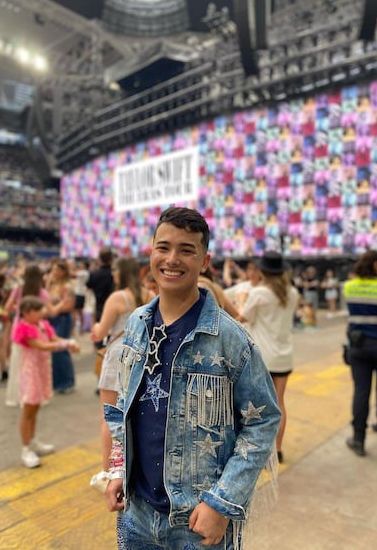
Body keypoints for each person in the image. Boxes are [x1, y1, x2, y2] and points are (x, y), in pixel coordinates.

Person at [103, 206, 281, 549]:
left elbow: (264, 421)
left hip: (198, 523)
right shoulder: (137, 324)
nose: (172, 259)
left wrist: (222, 502)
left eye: (187, 250)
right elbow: (123, 406)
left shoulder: (231, 339)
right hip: (136, 514)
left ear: (204, 261)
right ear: (151, 252)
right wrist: (117, 468)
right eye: (164, 247)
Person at [90, 257, 155, 488]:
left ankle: (109, 473)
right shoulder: (149, 296)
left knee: (110, 418)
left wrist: (95, 329)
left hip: (117, 356)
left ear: (120, 273)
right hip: (141, 355)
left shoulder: (118, 298)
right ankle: (133, 466)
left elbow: (101, 332)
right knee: (134, 415)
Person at [238, 251, 299, 464]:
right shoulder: (292, 293)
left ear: (262, 271)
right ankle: (278, 450)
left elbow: (242, 318)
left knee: (260, 409)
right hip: (284, 356)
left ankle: (261, 455)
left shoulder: (258, 294)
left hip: (263, 357)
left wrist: (241, 301)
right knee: (280, 403)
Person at [13, 296, 79, 468]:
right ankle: (25, 448)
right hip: (30, 372)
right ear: (27, 312)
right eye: (38, 310)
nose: (42, 313)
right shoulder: (24, 328)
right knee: (28, 410)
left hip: (41, 370)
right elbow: (40, 345)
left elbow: (53, 338)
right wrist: (65, 345)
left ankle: (33, 442)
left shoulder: (41, 324)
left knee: (35, 408)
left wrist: (67, 342)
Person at [343, 250, 377, 459]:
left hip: (358, 347)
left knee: (361, 393)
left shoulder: (349, 286)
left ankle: (359, 440)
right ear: (376, 265)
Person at [3, 264, 63, 407]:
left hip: (19, 329)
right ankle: (34, 394)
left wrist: (19, 309)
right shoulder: (42, 293)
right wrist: (62, 304)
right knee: (36, 365)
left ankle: (17, 396)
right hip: (37, 330)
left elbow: (7, 308)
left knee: (19, 363)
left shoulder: (18, 290)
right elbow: (52, 312)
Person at [46, 260, 76, 393]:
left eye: (57, 270)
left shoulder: (67, 286)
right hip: (51, 319)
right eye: (53, 270)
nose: (54, 272)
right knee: (53, 351)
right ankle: (57, 382)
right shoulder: (52, 285)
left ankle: (67, 381)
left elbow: (69, 305)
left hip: (62, 319)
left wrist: (54, 309)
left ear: (63, 272)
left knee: (61, 349)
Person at [86, 247, 115, 385]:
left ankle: (101, 379)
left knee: (100, 347)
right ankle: (107, 378)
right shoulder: (113, 274)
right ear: (111, 259)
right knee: (111, 344)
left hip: (99, 310)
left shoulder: (94, 273)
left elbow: (89, 287)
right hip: (114, 311)